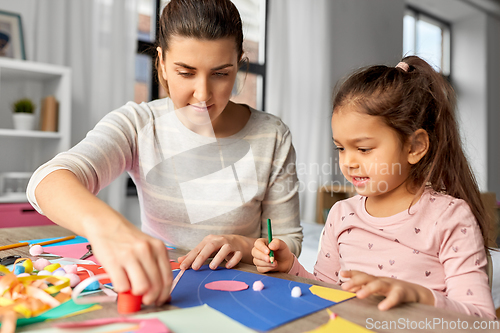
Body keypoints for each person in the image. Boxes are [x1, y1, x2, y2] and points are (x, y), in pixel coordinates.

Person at [27, 0, 302, 307]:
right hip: (164, 291)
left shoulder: (273, 135)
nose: (202, 94)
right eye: (185, 72)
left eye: (221, 74)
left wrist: (245, 245)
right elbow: (45, 181)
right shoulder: (139, 124)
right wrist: (111, 230)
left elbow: (289, 241)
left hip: (245, 297)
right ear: (161, 63)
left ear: (238, 64)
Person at [252, 56, 497, 319]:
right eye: (341, 148)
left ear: (414, 147)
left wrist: (418, 296)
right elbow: (325, 291)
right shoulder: (341, 215)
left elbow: (480, 320)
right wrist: (290, 266)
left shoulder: (449, 217)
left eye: (364, 149)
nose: (349, 163)